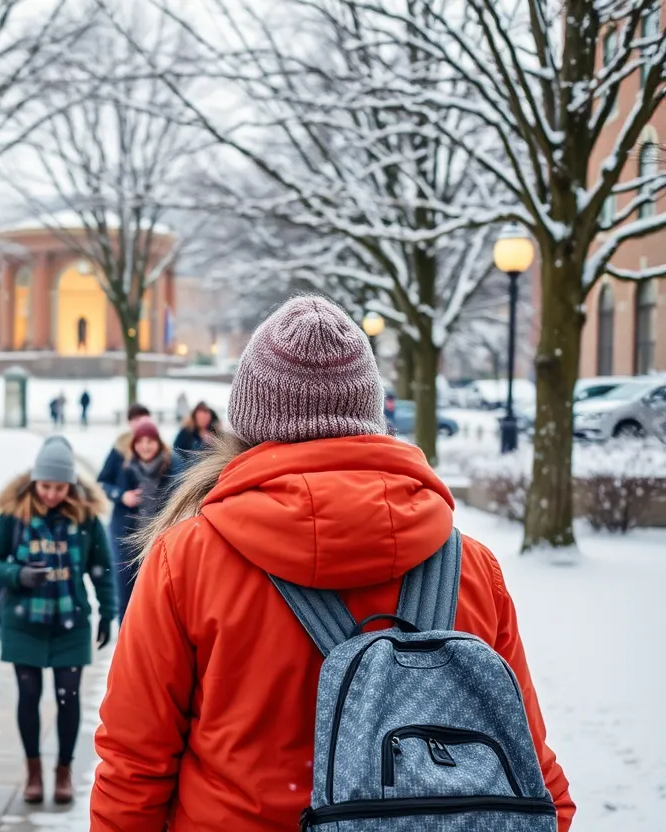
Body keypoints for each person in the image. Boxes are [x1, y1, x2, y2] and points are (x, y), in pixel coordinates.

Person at [89, 296, 575, 831]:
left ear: (250, 424)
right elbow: (531, 767)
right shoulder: (471, 568)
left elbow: (136, 761)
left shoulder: (188, 561)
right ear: (370, 413)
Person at [0, 437, 116, 806]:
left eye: (59, 487)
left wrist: (108, 611)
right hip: (23, 623)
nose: (52, 494)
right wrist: (17, 574)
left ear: (70, 485)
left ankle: (64, 771)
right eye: (45, 486)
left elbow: (101, 570)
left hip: (70, 622)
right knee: (29, 696)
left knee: (68, 699)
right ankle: (34, 772)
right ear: (34, 482)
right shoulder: (14, 516)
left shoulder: (85, 519)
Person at [111, 417, 174, 618]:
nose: (145, 447)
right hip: (127, 540)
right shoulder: (124, 464)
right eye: (140, 442)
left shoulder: (172, 465)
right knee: (126, 598)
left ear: (159, 442)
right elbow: (103, 482)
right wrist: (121, 495)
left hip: (159, 541)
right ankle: (124, 643)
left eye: (150, 441)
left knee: (155, 600)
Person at [96, 403, 150, 623]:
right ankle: (123, 639)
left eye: (143, 418)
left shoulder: (155, 447)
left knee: (147, 590)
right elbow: (103, 482)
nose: (139, 424)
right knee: (124, 588)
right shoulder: (119, 449)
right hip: (122, 527)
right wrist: (121, 495)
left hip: (149, 527)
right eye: (135, 419)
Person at [171, 401, 221, 471]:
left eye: (205, 416)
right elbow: (176, 452)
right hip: (191, 471)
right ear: (195, 417)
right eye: (200, 417)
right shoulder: (186, 433)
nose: (203, 420)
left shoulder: (217, 434)